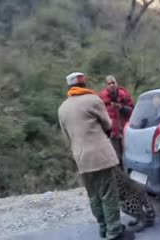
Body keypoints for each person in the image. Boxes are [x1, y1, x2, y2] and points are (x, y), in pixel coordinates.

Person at [58, 72, 135, 240]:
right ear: (84, 84)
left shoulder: (62, 108)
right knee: (109, 194)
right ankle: (114, 231)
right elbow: (108, 124)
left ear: (69, 87)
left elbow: (66, 139)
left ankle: (103, 227)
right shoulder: (93, 100)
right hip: (100, 156)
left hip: (81, 158)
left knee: (93, 195)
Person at [99, 75, 134, 169]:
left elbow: (132, 111)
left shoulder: (125, 95)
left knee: (129, 157)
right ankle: (120, 180)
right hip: (113, 133)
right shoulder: (102, 100)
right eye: (109, 83)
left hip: (126, 131)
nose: (111, 85)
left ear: (116, 83)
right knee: (116, 159)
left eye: (113, 82)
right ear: (106, 85)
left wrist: (121, 107)